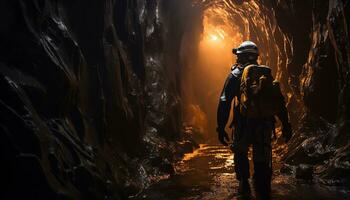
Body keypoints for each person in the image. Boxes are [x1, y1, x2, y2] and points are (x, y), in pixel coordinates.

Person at [216, 41, 292, 199]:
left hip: (243, 123)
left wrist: (221, 127)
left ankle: (244, 183)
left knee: (240, 151)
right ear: (256, 57)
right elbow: (278, 101)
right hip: (265, 122)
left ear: (240, 57)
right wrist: (286, 124)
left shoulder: (235, 75)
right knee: (263, 153)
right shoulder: (265, 74)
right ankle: (263, 184)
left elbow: (224, 101)